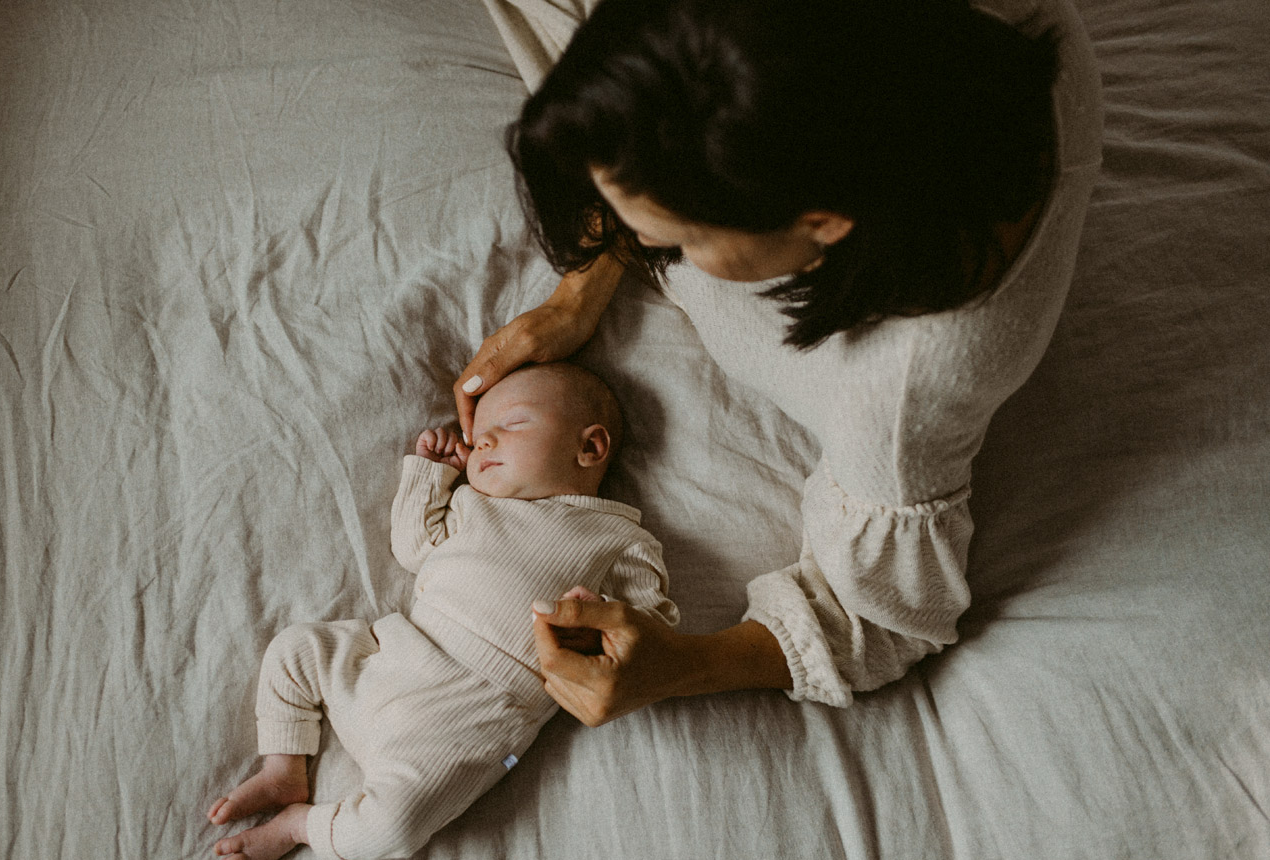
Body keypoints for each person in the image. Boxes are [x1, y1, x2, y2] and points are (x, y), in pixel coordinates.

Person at [463, 0, 1103, 720]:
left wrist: (680, 667)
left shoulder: (901, 390)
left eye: (674, 239)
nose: (643, 246)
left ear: (821, 224)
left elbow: (882, 617)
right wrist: (579, 293)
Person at [209, 362, 677, 860]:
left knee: (392, 827)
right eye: (478, 440)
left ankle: (300, 826)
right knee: (295, 650)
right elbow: (414, 546)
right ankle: (283, 767)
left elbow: (652, 633)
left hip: (473, 717)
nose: (485, 442)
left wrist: (597, 627)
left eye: (513, 425)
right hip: (397, 653)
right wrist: (431, 474)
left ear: (589, 447)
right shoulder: (474, 505)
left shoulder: (620, 540)